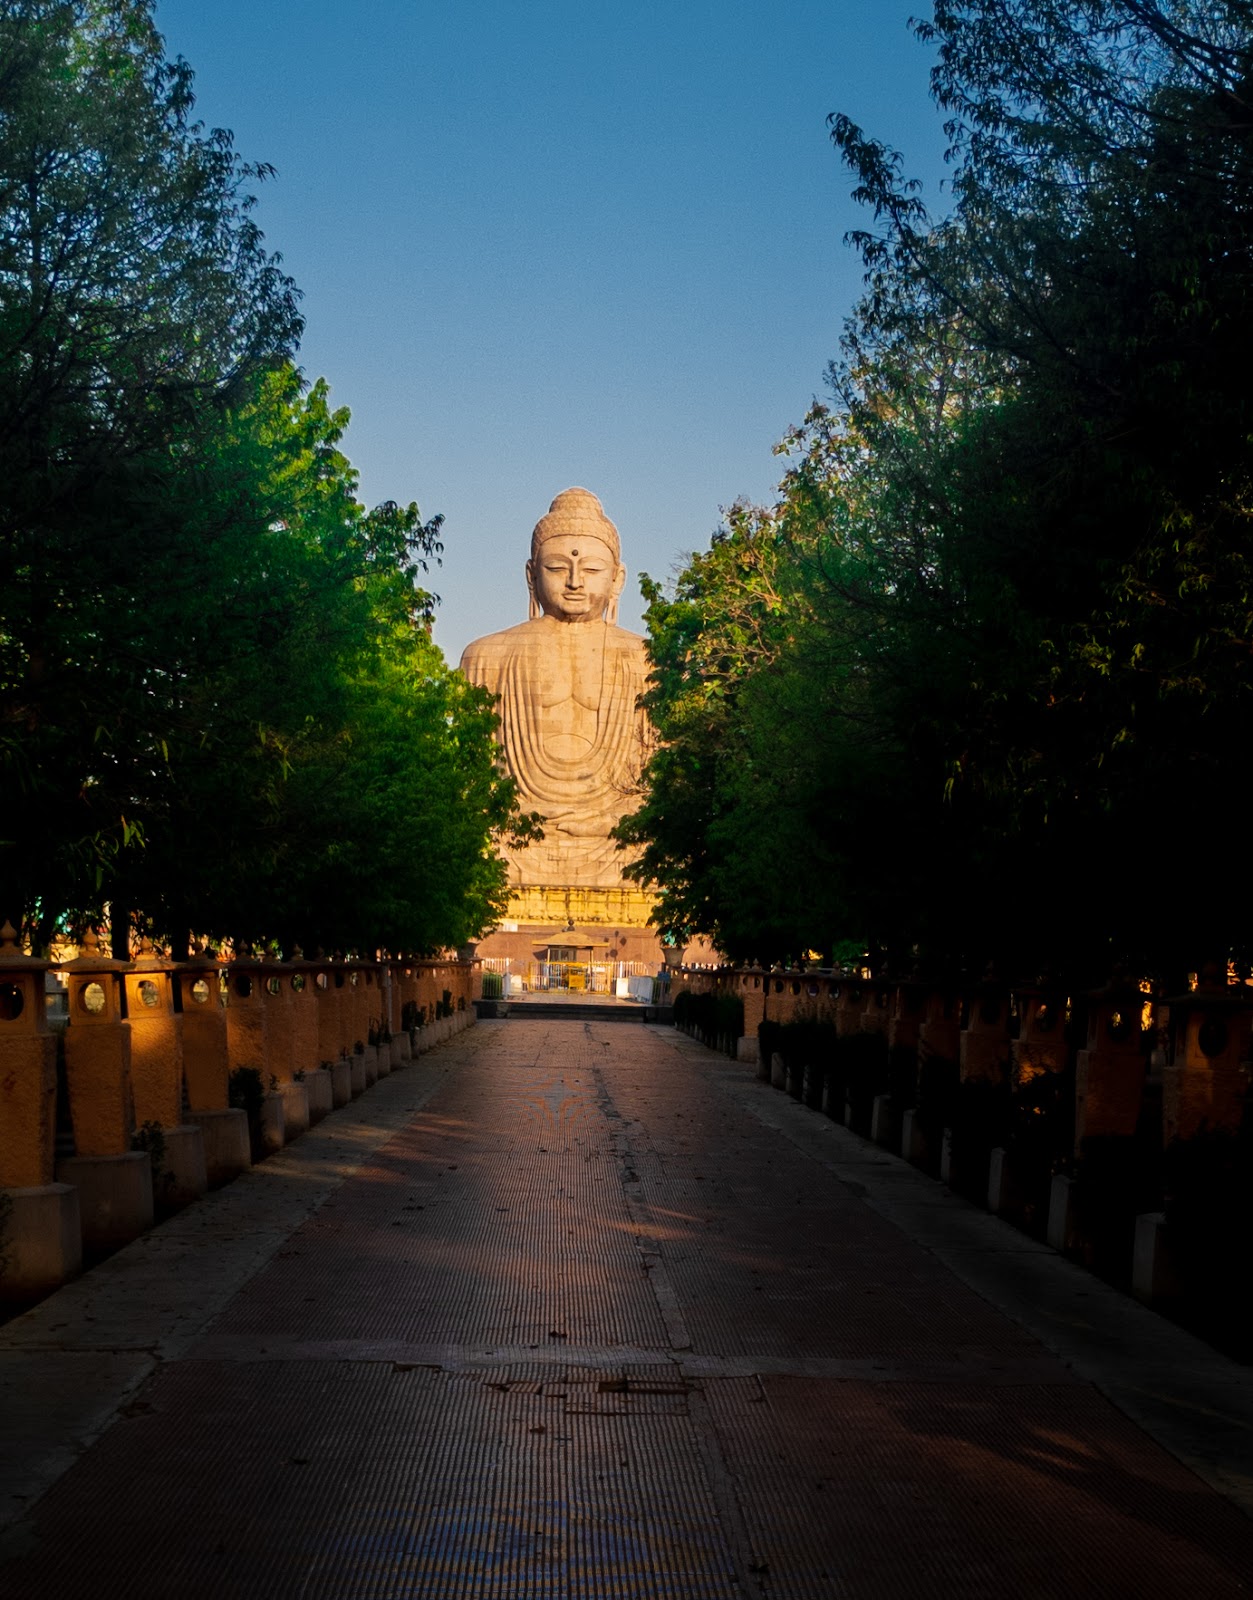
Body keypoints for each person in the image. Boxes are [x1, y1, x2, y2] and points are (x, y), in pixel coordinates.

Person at [459, 488, 651, 887]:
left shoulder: (650, 661)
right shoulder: (486, 657)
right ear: (531, 575)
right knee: (475, 848)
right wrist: (513, 816)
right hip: (516, 839)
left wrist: (613, 818)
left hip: (613, 841)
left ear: (618, 579)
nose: (575, 581)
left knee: (660, 849)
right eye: (557, 568)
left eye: (592, 569)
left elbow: (661, 785)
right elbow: (470, 781)